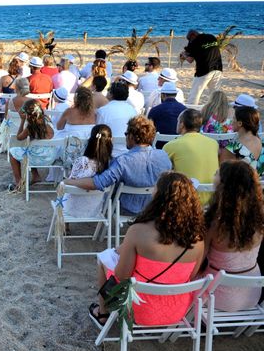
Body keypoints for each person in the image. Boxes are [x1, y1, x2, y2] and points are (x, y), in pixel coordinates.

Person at [89, 172, 205, 326]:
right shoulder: (198, 239)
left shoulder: (138, 231)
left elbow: (121, 276)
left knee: (104, 258)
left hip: (137, 310)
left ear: (158, 198)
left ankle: (103, 314)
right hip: (176, 311)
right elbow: (191, 276)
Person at [66, 115, 172, 215]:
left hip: (126, 209)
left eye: (126, 134)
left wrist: (69, 181)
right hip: (155, 208)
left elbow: (98, 183)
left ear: (131, 136)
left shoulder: (123, 161)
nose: (125, 137)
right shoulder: (164, 156)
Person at [201, 161, 264, 311]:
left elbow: (199, 260)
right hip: (252, 294)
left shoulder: (214, 223)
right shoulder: (260, 216)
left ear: (224, 185)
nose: (213, 175)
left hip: (215, 296)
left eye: (217, 173)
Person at [163, 109, 219, 204]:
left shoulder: (171, 145)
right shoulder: (214, 143)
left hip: (186, 200)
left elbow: (162, 171)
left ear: (182, 124)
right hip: (212, 200)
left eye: (178, 121)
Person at [64, 124, 113, 218]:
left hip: (72, 210)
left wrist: (64, 181)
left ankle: (66, 225)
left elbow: (70, 185)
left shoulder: (82, 161)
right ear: (110, 141)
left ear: (90, 140)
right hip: (95, 210)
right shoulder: (111, 164)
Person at [7, 99, 55, 191]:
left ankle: (19, 183)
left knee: (12, 153)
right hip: (51, 156)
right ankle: (35, 176)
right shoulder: (47, 120)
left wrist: (22, 121)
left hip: (38, 158)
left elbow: (19, 137)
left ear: (28, 114)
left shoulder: (30, 128)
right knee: (32, 149)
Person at [181, 30, 223, 105]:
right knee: (215, 95)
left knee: (194, 95)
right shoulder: (211, 37)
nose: (189, 41)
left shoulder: (195, 41)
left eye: (189, 39)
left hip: (204, 70)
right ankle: (217, 112)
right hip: (218, 68)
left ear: (193, 35)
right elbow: (205, 50)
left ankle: (191, 113)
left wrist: (183, 55)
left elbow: (190, 60)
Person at [95, 82, 137, 154]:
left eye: (108, 90)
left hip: (108, 153)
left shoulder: (103, 111)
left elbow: (97, 134)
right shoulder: (133, 110)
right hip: (129, 152)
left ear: (111, 94)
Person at [221, 106, 264, 175]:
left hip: (240, 185)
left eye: (234, 118)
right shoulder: (262, 142)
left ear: (240, 123)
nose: (231, 121)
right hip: (258, 184)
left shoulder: (233, 148)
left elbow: (223, 173)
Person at [147, 82, 187, 146]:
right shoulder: (185, 110)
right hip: (179, 145)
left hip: (158, 146)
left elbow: (147, 130)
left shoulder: (155, 110)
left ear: (163, 95)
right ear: (175, 94)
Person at [0, 78, 30, 154]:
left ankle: (5, 144)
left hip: (13, 129)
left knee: (6, 123)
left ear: (16, 88)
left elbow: (6, 117)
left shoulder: (10, 101)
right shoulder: (32, 101)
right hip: (27, 130)